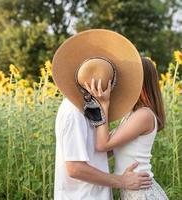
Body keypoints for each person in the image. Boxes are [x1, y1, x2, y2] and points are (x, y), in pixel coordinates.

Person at [52, 29, 152, 199]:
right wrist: (122, 181)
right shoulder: (73, 113)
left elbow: (94, 152)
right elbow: (75, 168)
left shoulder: (90, 108)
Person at [85, 57, 168, 199]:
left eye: (130, 79)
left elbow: (102, 145)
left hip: (141, 193)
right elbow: (106, 149)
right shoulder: (131, 115)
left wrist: (103, 104)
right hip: (133, 190)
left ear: (140, 83)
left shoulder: (144, 115)